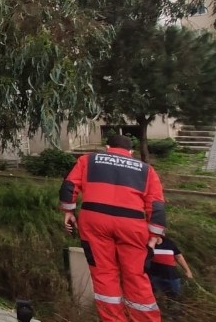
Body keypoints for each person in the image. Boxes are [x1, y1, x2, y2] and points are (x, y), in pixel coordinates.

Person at [60, 134, 166, 322]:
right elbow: (156, 205)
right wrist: (154, 234)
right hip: (132, 226)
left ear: (107, 148)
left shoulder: (88, 160)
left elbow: (69, 186)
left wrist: (68, 212)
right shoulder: (146, 170)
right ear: (131, 152)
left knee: (103, 274)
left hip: (95, 221)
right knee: (135, 275)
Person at [148, 236, 193, 301]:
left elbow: (179, 257)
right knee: (156, 298)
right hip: (155, 277)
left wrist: (187, 271)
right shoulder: (148, 244)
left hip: (172, 277)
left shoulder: (169, 243)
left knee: (175, 298)